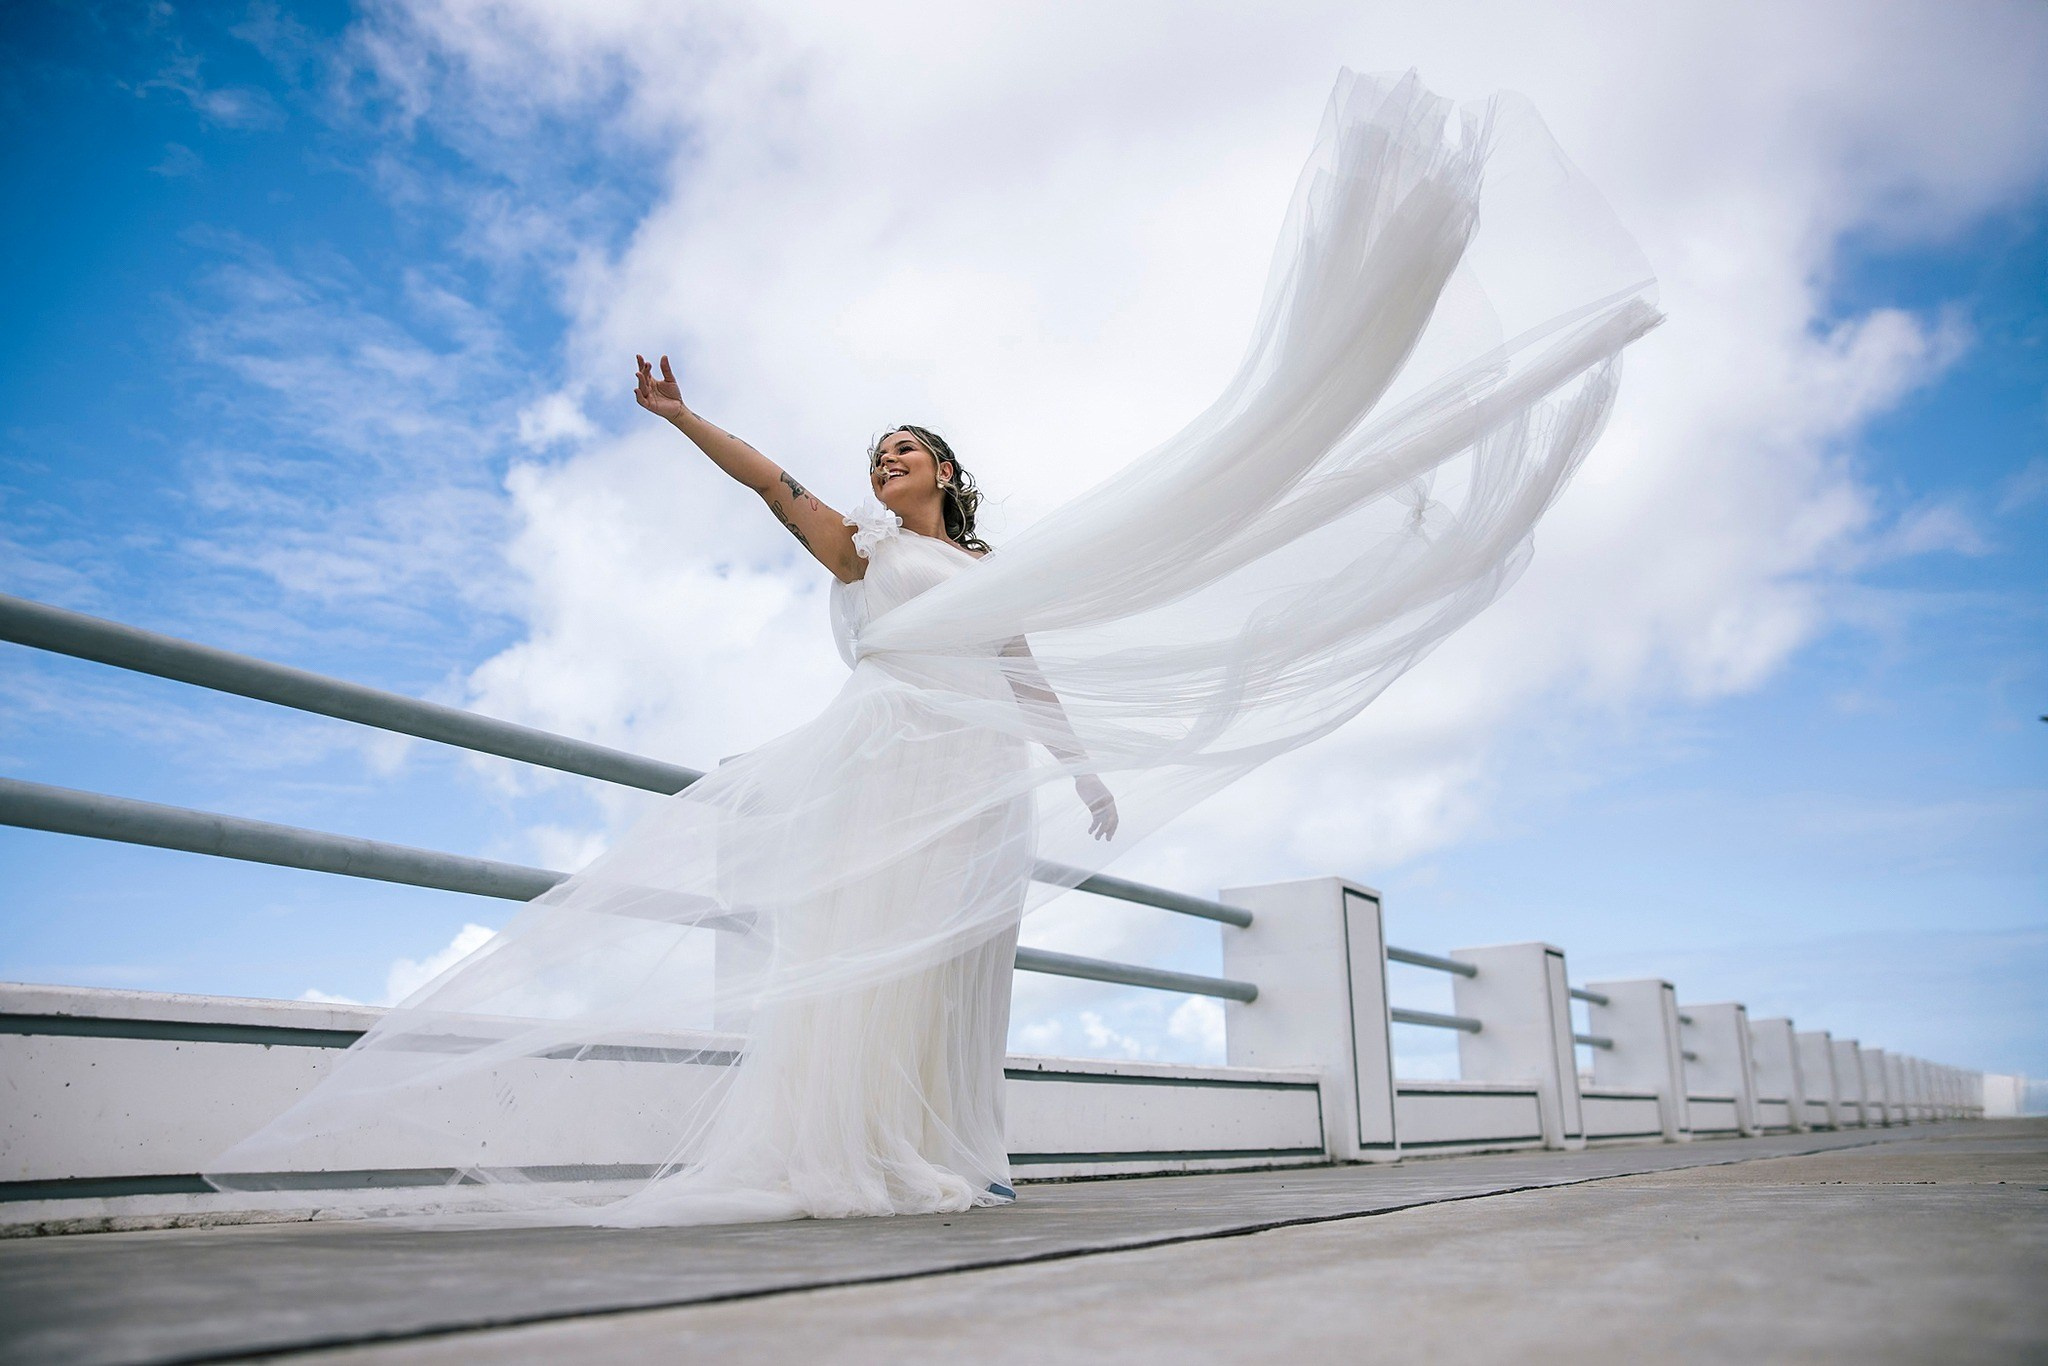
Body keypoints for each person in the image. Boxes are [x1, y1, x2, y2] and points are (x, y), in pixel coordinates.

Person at [205, 68, 1662, 1226]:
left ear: (948, 473)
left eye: (906, 447)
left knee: (971, 962)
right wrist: (682, 415)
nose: (884, 459)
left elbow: (1025, 666)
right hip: (887, 755)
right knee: (873, 956)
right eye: (877, 448)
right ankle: (869, 1150)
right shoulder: (866, 550)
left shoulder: (979, 563)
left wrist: (1081, 768)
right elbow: (774, 485)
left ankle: (969, 1149)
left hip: (980, 768)